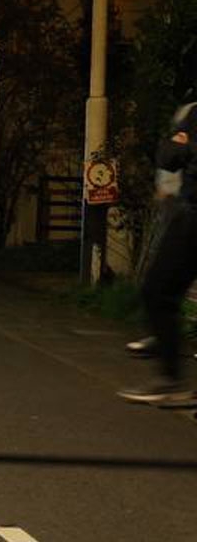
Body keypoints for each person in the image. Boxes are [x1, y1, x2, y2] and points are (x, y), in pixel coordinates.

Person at [122, 104, 197, 405]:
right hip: (188, 211)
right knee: (160, 291)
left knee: (159, 290)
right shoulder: (193, 112)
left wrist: (185, 147)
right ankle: (167, 355)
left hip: (192, 216)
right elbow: (168, 156)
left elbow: (175, 154)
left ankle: (171, 378)